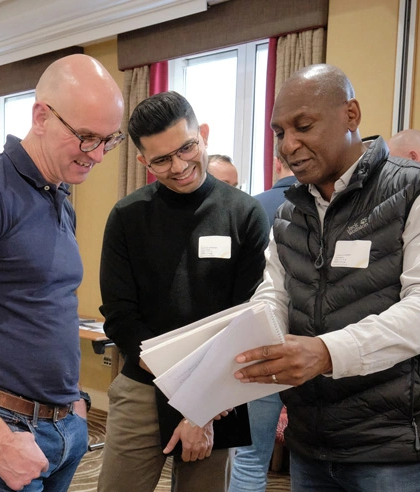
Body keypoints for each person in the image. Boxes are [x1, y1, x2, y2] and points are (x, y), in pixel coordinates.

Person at [233, 64, 420, 492]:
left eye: (303, 126)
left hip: (390, 450)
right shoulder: (287, 214)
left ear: (351, 115)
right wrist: (252, 336)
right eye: (279, 132)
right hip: (310, 443)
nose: (289, 145)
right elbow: (273, 294)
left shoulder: (413, 191)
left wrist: (325, 352)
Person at [97, 91, 269, 492]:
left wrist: (202, 405)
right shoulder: (127, 216)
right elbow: (120, 316)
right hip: (143, 385)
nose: (179, 166)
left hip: (219, 395)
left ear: (202, 135)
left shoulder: (244, 214)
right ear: (142, 161)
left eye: (186, 148)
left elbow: (248, 316)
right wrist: (186, 389)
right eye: (161, 160)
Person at [0, 54, 124, 491]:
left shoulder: (58, 193)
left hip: (63, 427)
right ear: (41, 116)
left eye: (109, 139)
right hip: (4, 434)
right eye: (86, 137)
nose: (98, 155)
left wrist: (76, 407)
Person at [228, 152, 296, 492]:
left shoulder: (250, 207)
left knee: (250, 457)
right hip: (314, 350)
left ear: (275, 163)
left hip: (259, 347)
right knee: (311, 460)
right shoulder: (332, 209)